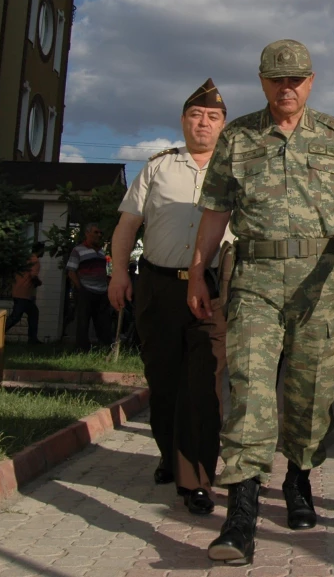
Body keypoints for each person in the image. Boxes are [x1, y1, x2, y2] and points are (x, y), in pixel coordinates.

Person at [186, 39, 334, 566]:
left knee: (312, 392)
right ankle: (240, 516)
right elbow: (215, 210)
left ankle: (298, 480)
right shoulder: (237, 137)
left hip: (320, 279)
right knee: (248, 386)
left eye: (296, 79)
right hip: (255, 278)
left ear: (310, 81)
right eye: (277, 79)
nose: (286, 88)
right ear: (263, 80)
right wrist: (197, 271)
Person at [108, 78, 231, 515]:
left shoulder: (235, 169)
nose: (203, 122)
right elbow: (127, 226)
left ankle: (196, 477)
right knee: (164, 381)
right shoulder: (158, 167)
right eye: (196, 115)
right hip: (158, 286)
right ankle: (168, 454)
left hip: (214, 289)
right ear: (183, 121)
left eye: (212, 117)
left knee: (204, 384)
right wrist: (119, 272)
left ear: (223, 125)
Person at [66, 223, 112, 350]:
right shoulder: (78, 250)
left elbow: (106, 271)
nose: (99, 235)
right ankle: (82, 348)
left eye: (100, 233)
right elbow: (71, 271)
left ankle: (106, 346)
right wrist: (81, 288)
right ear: (87, 233)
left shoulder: (102, 252)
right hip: (86, 289)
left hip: (102, 291)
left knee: (103, 320)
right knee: (83, 321)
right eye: (96, 232)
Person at [7, 242, 44, 344]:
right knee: (15, 317)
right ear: (40, 250)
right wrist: (39, 283)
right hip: (23, 294)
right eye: (43, 251)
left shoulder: (25, 259)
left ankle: (33, 339)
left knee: (33, 313)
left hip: (19, 291)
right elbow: (33, 276)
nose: (43, 253)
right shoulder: (35, 261)